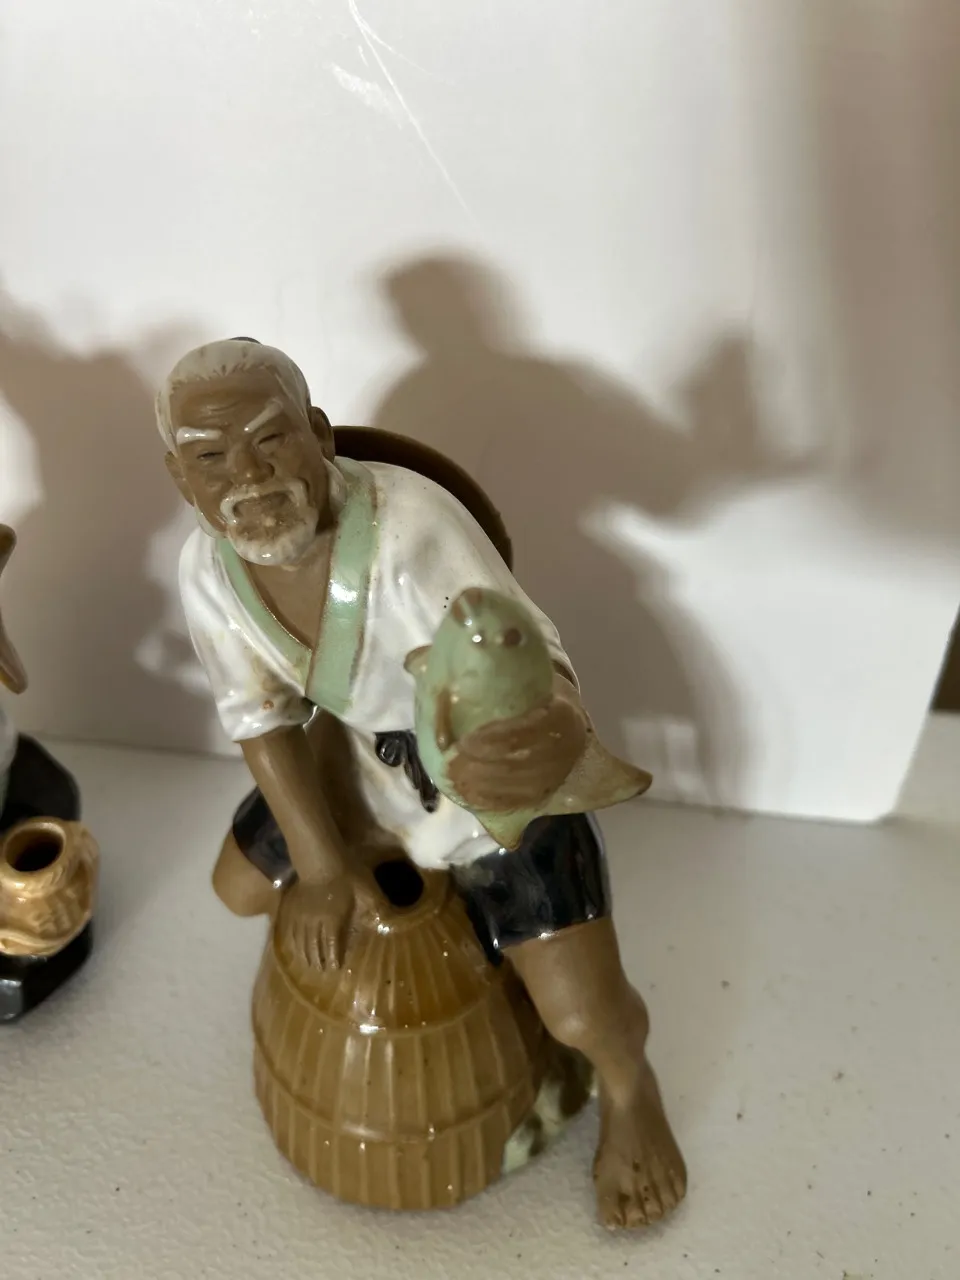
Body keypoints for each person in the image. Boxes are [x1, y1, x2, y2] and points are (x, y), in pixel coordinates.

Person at [157, 337, 686, 1228]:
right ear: (180, 478)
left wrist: (543, 733)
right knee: (237, 887)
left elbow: (524, 658)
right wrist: (323, 868)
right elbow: (262, 721)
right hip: (352, 760)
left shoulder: (410, 531)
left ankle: (633, 1096)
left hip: (477, 775)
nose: (247, 475)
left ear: (319, 434)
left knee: (584, 1013)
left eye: (270, 439)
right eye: (210, 458)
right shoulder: (209, 570)